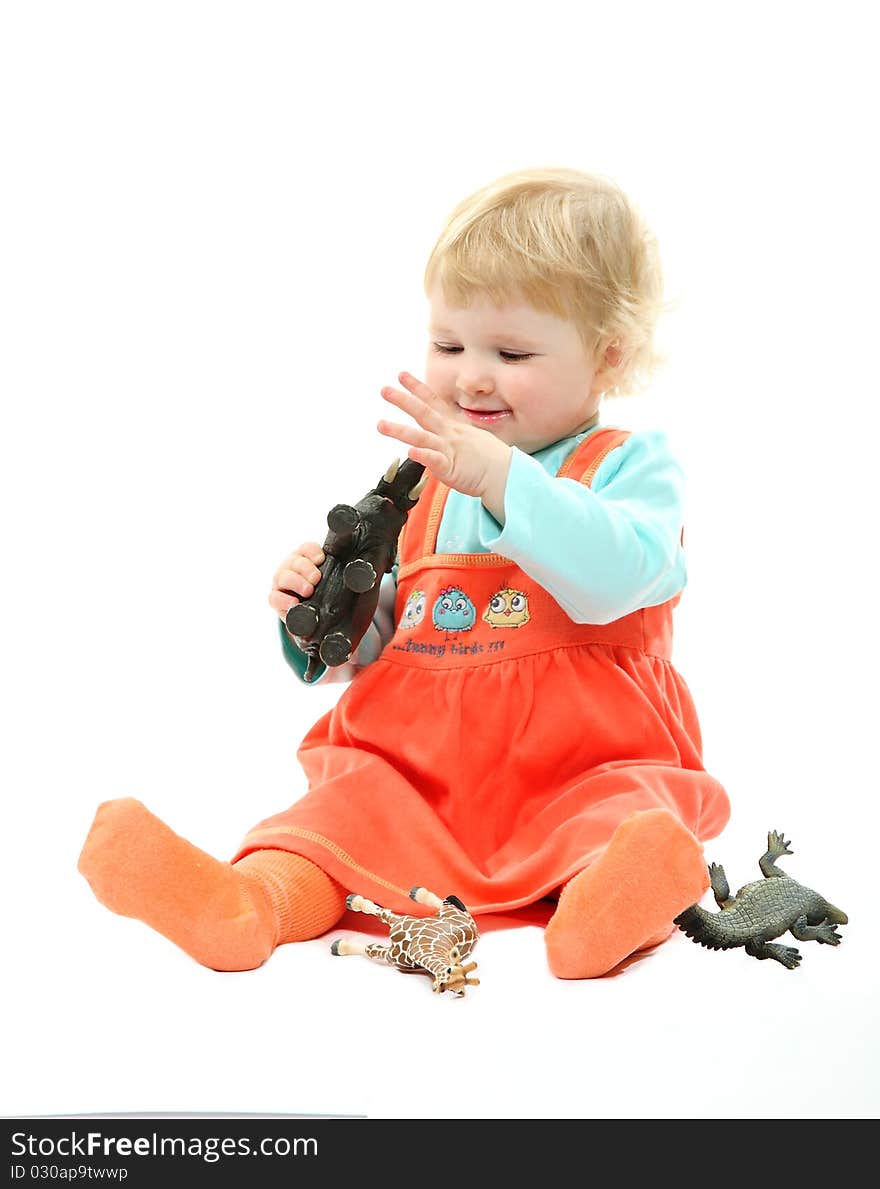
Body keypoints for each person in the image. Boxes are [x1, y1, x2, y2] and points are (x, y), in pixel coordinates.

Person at [78, 166, 730, 979]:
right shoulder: (422, 481)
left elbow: (609, 576)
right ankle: (250, 905)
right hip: (424, 768)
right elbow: (398, 635)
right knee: (344, 815)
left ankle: (611, 905)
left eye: (511, 350)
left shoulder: (630, 464)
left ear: (608, 355)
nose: (470, 376)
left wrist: (500, 477)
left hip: (579, 761)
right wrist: (326, 620)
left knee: (618, 815)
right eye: (448, 345)